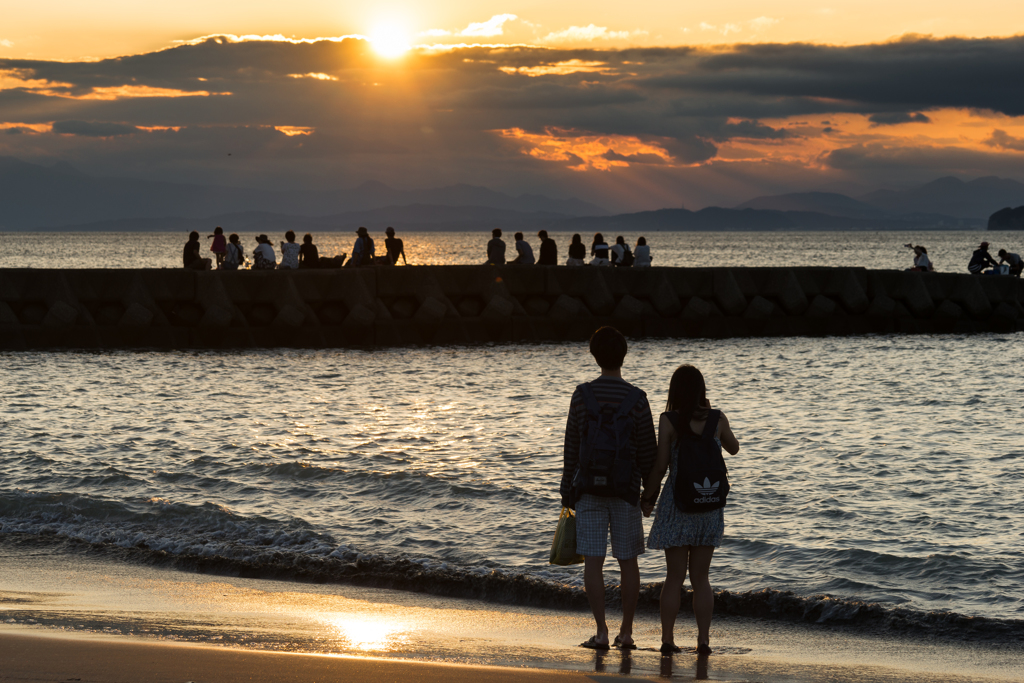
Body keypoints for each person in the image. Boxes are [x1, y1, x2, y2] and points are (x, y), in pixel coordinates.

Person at [560, 327, 657, 651]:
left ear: (594, 355)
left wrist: (566, 490)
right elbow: (648, 452)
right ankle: (626, 633)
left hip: (587, 489)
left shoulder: (582, 394)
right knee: (628, 562)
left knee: (593, 562)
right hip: (625, 490)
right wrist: (649, 494)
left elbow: (571, 446)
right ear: (624, 356)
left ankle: (601, 633)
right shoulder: (637, 399)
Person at [641, 365, 739, 656]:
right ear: (702, 391)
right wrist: (716, 426)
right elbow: (734, 448)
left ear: (674, 392)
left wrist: (647, 498)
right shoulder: (717, 418)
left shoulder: (669, 420)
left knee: (674, 577)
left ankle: (668, 640)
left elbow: (660, 467)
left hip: (677, 506)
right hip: (708, 506)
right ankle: (704, 641)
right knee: (701, 578)